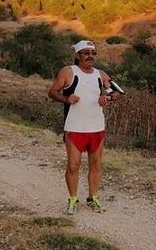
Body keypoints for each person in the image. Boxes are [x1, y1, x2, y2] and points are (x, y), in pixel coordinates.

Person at [47, 40, 124, 214]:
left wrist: (109, 98)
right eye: (86, 53)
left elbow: (119, 92)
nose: (90, 56)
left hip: (96, 126)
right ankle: (73, 199)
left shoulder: (100, 74)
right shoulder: (68, 72)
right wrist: (67, 99)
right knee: (73, 165)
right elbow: (52, 92)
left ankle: (93, 198)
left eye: (93, 53)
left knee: (96, 164)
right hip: (74, 126)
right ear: (77, 55)